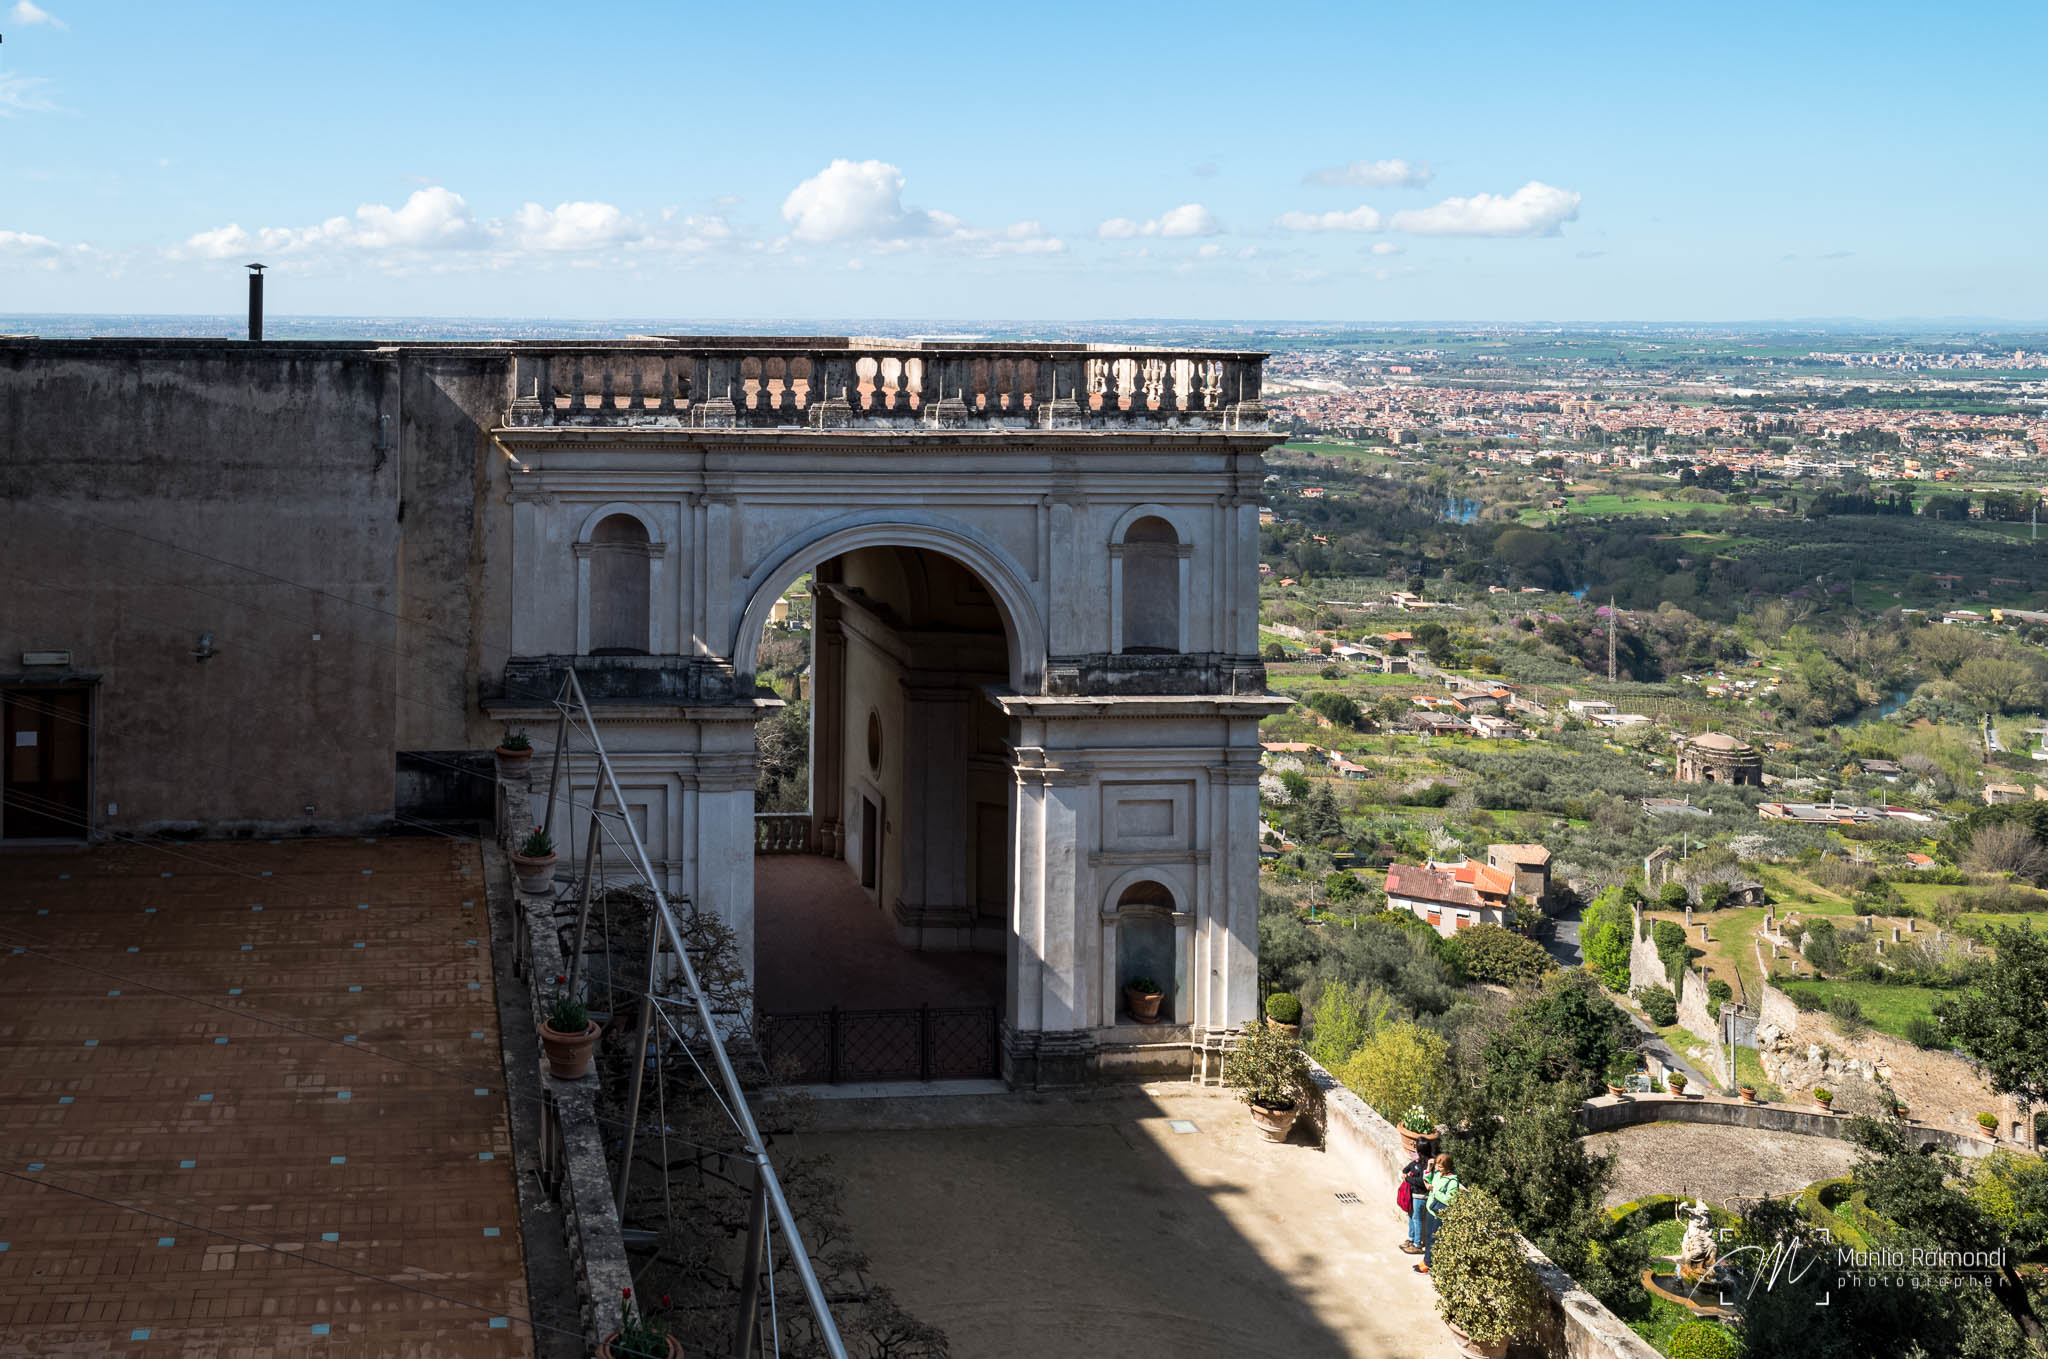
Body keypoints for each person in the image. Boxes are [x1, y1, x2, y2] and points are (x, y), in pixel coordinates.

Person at [1415, 1151, 1460, 1274]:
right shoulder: (1438, 1173)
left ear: (1447, 1167)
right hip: (1431, 1210)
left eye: (1440, 1167)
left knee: (1433, 1239)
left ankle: (1428, 1265)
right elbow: (1428, 1179)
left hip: (1438, 1214)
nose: (1437, 1168)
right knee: (1428, 1236)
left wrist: (1434, 1190)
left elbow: (1450, 1200)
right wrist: (1429, 1168)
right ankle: (1426, 1260)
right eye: (1436, 1166)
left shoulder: (1452, 1181)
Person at [1398, 1153, 1429, 1254]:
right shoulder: (1414, 1163)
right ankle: (1411, 1239)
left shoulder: (1425, 1165)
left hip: (1420, 1196)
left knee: (1417, 1218)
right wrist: (1405, 1174)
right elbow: (1405, 1169)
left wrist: (1407, 1178)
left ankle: (1417, 1244)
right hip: (1413, 1194)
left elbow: (1421, 1182)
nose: (1415, 1156)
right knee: (1411, 1216)